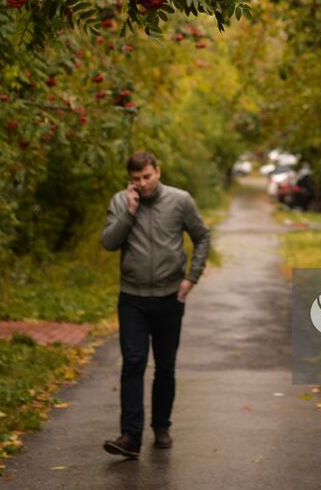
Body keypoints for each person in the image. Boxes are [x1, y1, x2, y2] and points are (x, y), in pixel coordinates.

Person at [98, 150, 211, 458]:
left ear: (157, 172)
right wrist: (129, 212)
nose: (143, 183)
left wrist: (192, 278)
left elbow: (202, 236)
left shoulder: (180, 200)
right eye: (136, 179)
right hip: (132, 298)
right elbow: (108, 242)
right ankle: (130, 437)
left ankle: (161, 426)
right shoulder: (122, 202)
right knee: (133, 363)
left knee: (165, 367)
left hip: (169, 297)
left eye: (147, 177)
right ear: (129, 180)